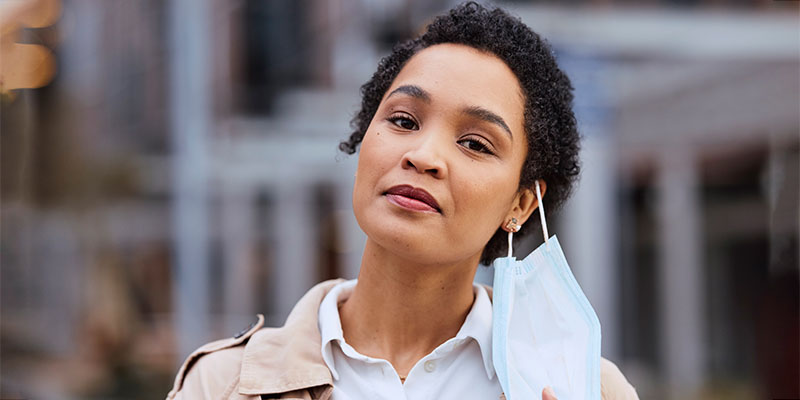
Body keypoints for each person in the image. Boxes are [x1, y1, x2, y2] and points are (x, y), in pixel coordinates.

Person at [166, 3, 639, 399]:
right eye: (404, 121)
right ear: (363, 139)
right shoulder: (223, 384)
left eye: (476, 143)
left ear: (520, 204)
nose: (424, 156)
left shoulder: (584, 388)